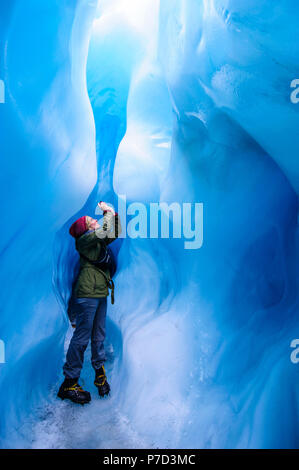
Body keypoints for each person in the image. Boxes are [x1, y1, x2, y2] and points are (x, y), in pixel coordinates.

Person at [57, 201, 121, 405]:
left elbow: (112, 233)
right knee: (82, 336)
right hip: (87, 293)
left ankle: (99, 372)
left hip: (99, 291)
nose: (94, 220)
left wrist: (114, 216)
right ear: (85, 229)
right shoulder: (84, 241)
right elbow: (103, 231)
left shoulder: (96, 242)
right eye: (90, 220)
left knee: (99, 334)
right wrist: (108, 213)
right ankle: (69, 382)